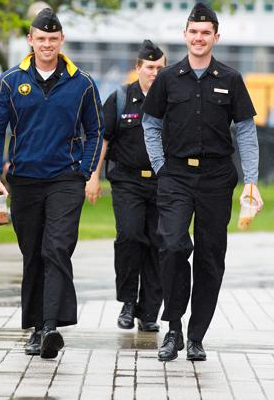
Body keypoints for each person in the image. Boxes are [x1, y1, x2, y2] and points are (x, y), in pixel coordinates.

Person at [142, 2, 264, 362]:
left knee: (210, 257)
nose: (199, 38)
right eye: (193, 32)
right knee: (173, 246)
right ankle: (174, 328)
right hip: (175, 176)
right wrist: (161, 167)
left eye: (205, 33)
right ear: (185, 35)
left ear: (216, 37)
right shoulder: (167, 78)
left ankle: (196, 336)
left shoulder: (230, 79)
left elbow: (245, 132)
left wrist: (251, 181)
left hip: (215, 178)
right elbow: (149, 124)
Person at [0, 7, 104, 359]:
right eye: (41, 39)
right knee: (33, 253)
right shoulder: (10, 81)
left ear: (61, 40)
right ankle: (36, 327)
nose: (47, 44)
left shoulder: (81, 83)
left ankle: (51, 327)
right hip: (25, 181)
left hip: (65, 180)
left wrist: (84, 170)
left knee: (57, 248)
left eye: (53, 39)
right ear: (30, 41)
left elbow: (95, 131)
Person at [86, 40, 166, 333]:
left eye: (160, 67)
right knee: (130, 237)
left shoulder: (172, 100)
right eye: (149, 67)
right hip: (127, 181)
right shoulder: (120, 98)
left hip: (161, 183)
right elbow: (103, 140)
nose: (154, 72)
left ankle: (149, 312)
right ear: (138, 68)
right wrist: (93, 177)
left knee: (158, 245)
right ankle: (128, 302)